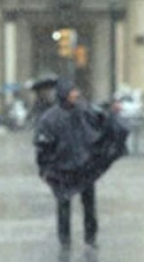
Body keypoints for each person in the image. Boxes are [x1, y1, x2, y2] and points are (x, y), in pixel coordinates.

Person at [34, 79, 102, 248]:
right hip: (62, 168)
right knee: (63, 205)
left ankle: (90, 237)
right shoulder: (51, 118)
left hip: (85, 166)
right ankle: (65, 239)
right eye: (72, 93)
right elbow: (43, 146)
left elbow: (98, 129)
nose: (76, 95)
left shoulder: (84, 111)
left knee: (89, 205)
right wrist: (44, 168)